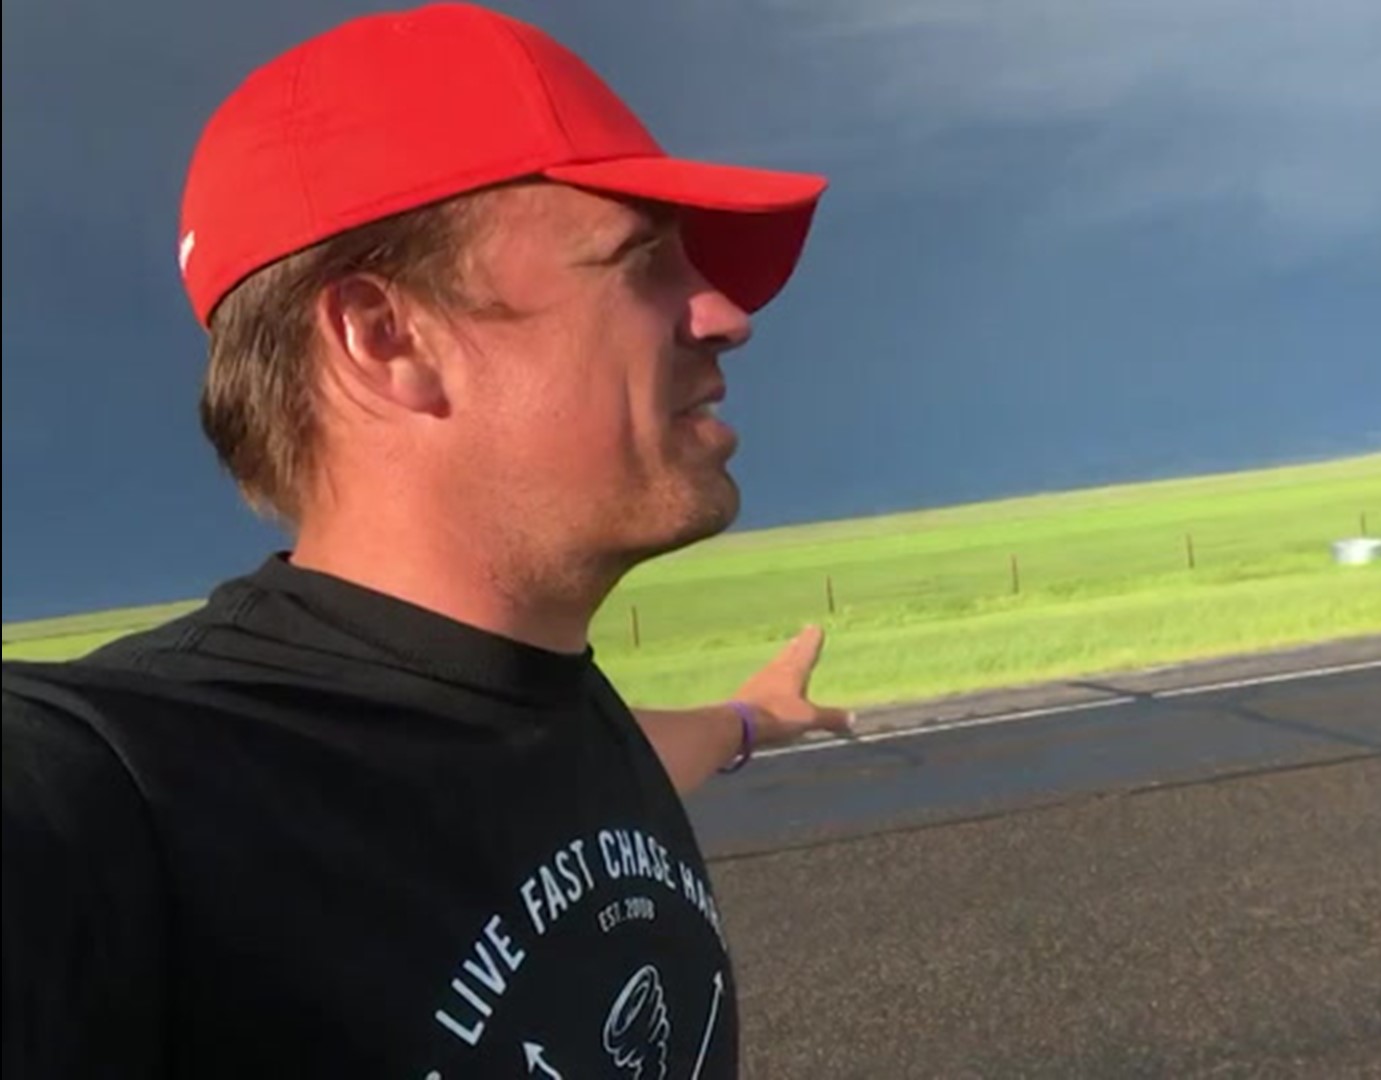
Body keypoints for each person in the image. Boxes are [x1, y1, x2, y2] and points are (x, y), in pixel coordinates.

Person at [0, 4, 852, 1076]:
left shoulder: (556, 716)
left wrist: (753, 718)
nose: (725, 313)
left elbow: (601, 760)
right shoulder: (111, 793)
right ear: (386, 337)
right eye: (642, 262)